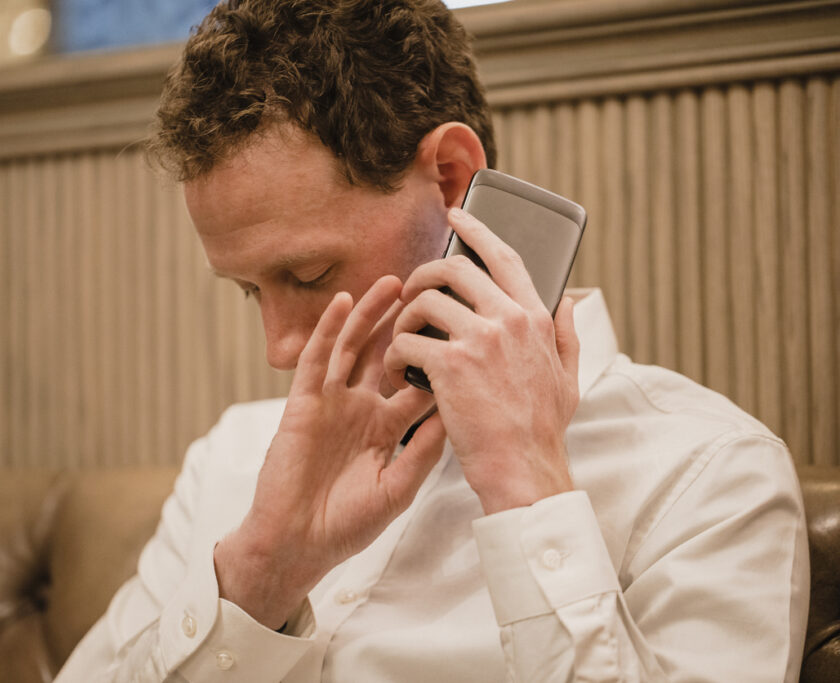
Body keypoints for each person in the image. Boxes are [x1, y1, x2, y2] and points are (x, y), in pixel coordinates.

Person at [56, 1, 809, 680]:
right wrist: (259, 576)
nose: (279, 350)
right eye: (250, 290)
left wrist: (529, 488)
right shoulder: (227, 457)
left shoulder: (711, 479)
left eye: (310, 273)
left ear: (451, 179)